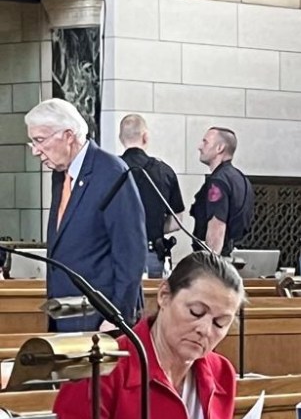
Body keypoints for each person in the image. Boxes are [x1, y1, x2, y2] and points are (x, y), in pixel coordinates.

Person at [42, 252, 245, 419]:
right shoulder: (101, 367)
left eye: (220, 323)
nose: (205, 330)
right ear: (164, 295)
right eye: (196, 312)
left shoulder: (221, 372)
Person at [25, 98, 147, 332]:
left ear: (68, 135)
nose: (35, 151)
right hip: (65, 313)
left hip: (100, 320)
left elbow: (131, 251)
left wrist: (116, 317)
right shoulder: (61, 174)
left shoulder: (111, 172)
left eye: (40, 140)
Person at [119, 114, 185, 278]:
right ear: (145, 137)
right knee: (152, 301)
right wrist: (154, 226)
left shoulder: (110, 169)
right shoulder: (164, 171)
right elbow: (177, 221)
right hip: (152, 254)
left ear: (121, 138)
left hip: (118, 253)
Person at [191, 127, 254, 256]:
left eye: (205, 142)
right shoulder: (241, 179)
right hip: (236, 258)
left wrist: (210, 266)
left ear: (219, 148)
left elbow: (217, 227)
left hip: (219, 262)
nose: (200, 147)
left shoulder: (218, 182)